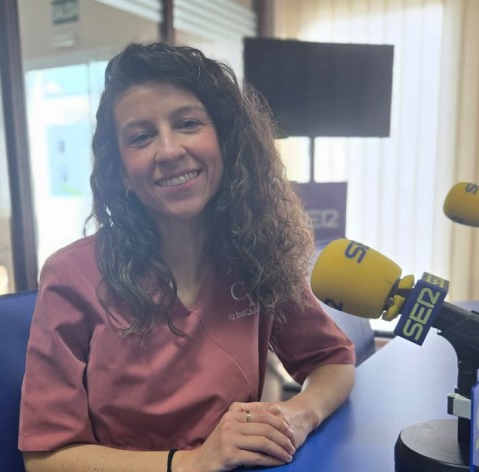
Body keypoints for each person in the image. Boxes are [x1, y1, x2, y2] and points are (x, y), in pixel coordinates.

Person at [18, 42, 355, 472]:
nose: (169, 150)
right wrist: (191, 462)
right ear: (121, 172)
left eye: (188, 123)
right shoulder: (72, 275)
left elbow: (332, 360)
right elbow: (45, 458)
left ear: (226, 142)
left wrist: (299, 415)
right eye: (141, 137)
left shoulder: (255, 255)